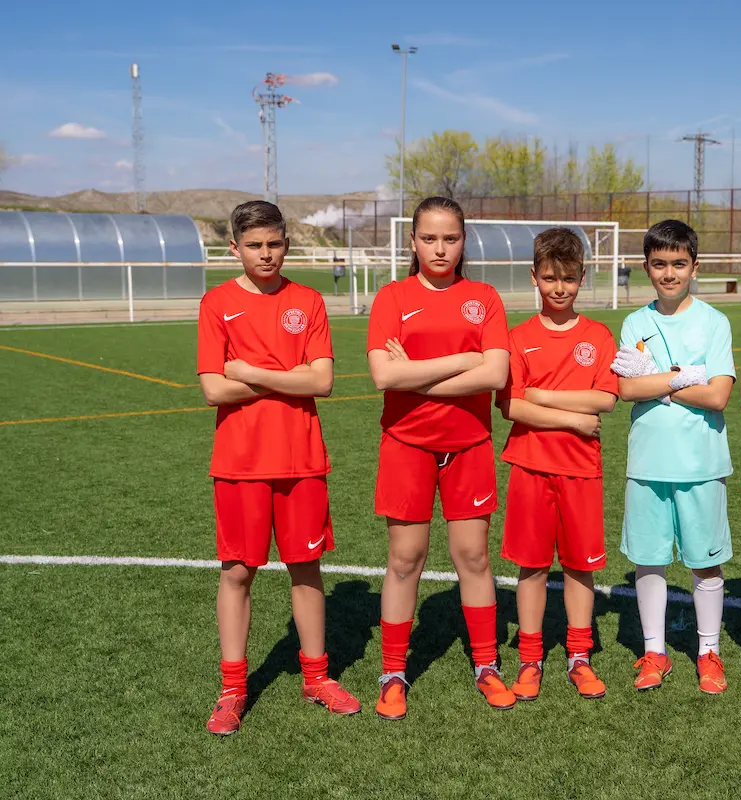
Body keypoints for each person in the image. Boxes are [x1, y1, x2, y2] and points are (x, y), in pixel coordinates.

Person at [197, 200, 360, 736]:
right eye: (254, 246)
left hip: (301, 458)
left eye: (274, 244)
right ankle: (233, 689)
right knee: (238, 571)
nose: (266, 255)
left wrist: (247, 368)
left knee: (305, 566)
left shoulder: (308, 300)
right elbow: (213, 388)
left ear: (286, 243)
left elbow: (321, 382)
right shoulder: (217, 303)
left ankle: (316, 677)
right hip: (240, 461)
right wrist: (283, 373)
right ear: (234, 249)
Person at [366, 196, 515, 719]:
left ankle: (487, 664)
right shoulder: (391, 297)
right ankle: (392, 673)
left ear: (463, 241)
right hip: (405, 444)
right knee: (405, 560)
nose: (439, 248)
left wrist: (420, 376)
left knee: (473, 557)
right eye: (429, 238)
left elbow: (495, 375)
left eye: (450, 238)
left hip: (469, 443)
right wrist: (463, 361)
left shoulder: (484, 298)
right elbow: (385, 376)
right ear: (412, 241)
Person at [610, 219, 736, 694]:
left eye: (678, 264)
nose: (669, 273)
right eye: (659, 264)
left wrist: (660, 382)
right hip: (647, 462)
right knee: (649, 560)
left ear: (694, 267)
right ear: (646, 267)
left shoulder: (714, 322)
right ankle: (654, 652)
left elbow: (718, 397)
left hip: (701, 462)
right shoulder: (635, 322)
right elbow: (626, 388)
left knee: (705, 564)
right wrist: (687, 377)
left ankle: (709, 653)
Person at [496, 227, 618, 701]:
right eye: (549, 278)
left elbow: (605, 399)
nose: (559, 287)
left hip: (581, 470)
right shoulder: (518, 337)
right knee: (531, 567)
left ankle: (579, 656)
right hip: (529, 465)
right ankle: (530, 659)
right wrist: (572, 420)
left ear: (582, 277)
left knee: (579, 566)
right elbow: (512, 407)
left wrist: (543, 396)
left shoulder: (597, 335)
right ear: (534, 277)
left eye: (568, 277)